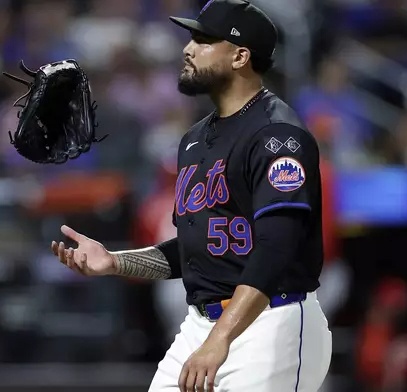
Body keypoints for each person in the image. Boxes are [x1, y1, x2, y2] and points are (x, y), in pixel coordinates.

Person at [52, 1, 332, 391]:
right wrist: (115, 262)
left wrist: (220, 340)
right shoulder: (195, 140)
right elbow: (195, 247)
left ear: (240, 56)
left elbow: (276, 250)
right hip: (201, 324)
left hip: (271, 320)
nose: (188, 48)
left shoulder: (278, 136)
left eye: (203, 40)